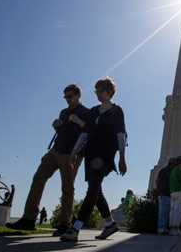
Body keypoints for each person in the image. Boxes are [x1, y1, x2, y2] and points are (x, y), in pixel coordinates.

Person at [7, 84, 90, 236]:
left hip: (72, 154)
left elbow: (89, 133)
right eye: (65, 97)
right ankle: (28, 219)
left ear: (78, 95)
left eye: (70, 96)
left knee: (67, 187)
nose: (67, 100)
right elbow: (64, 131)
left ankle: (65, 224)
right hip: (55, 150)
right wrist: (57, 126)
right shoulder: (64, 112)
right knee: (38, 178)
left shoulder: (86, 112)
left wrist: (79, 121)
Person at [61, 77, 128, 242]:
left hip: (105, 155)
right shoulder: (93, 111)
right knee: (95, 190)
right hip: (90, 154)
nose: (97, 93)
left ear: (108, 92)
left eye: (100, 90)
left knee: (92, 191)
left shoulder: (117, 111)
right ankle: (110, 224)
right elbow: (85, 133)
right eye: (96, 91)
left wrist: (122, 157)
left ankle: (75, 229)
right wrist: (74, 152)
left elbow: (121, 135)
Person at [155, 157, 176, 234]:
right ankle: (161, 228)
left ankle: (163, 228)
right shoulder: (169, 171)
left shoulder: (163, 170)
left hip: (163, 193)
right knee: (164, 212)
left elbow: (157, 181)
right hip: (165, 193)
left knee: (164, 212)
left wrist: (158, 190)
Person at [169, 156, 181, 236]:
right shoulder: (179, 170)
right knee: (178, 211)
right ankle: (176, 229)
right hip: (179, 192)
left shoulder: (173, 171)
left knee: (173, 211)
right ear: (180, 163)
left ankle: (172, 229)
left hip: (172, 192)